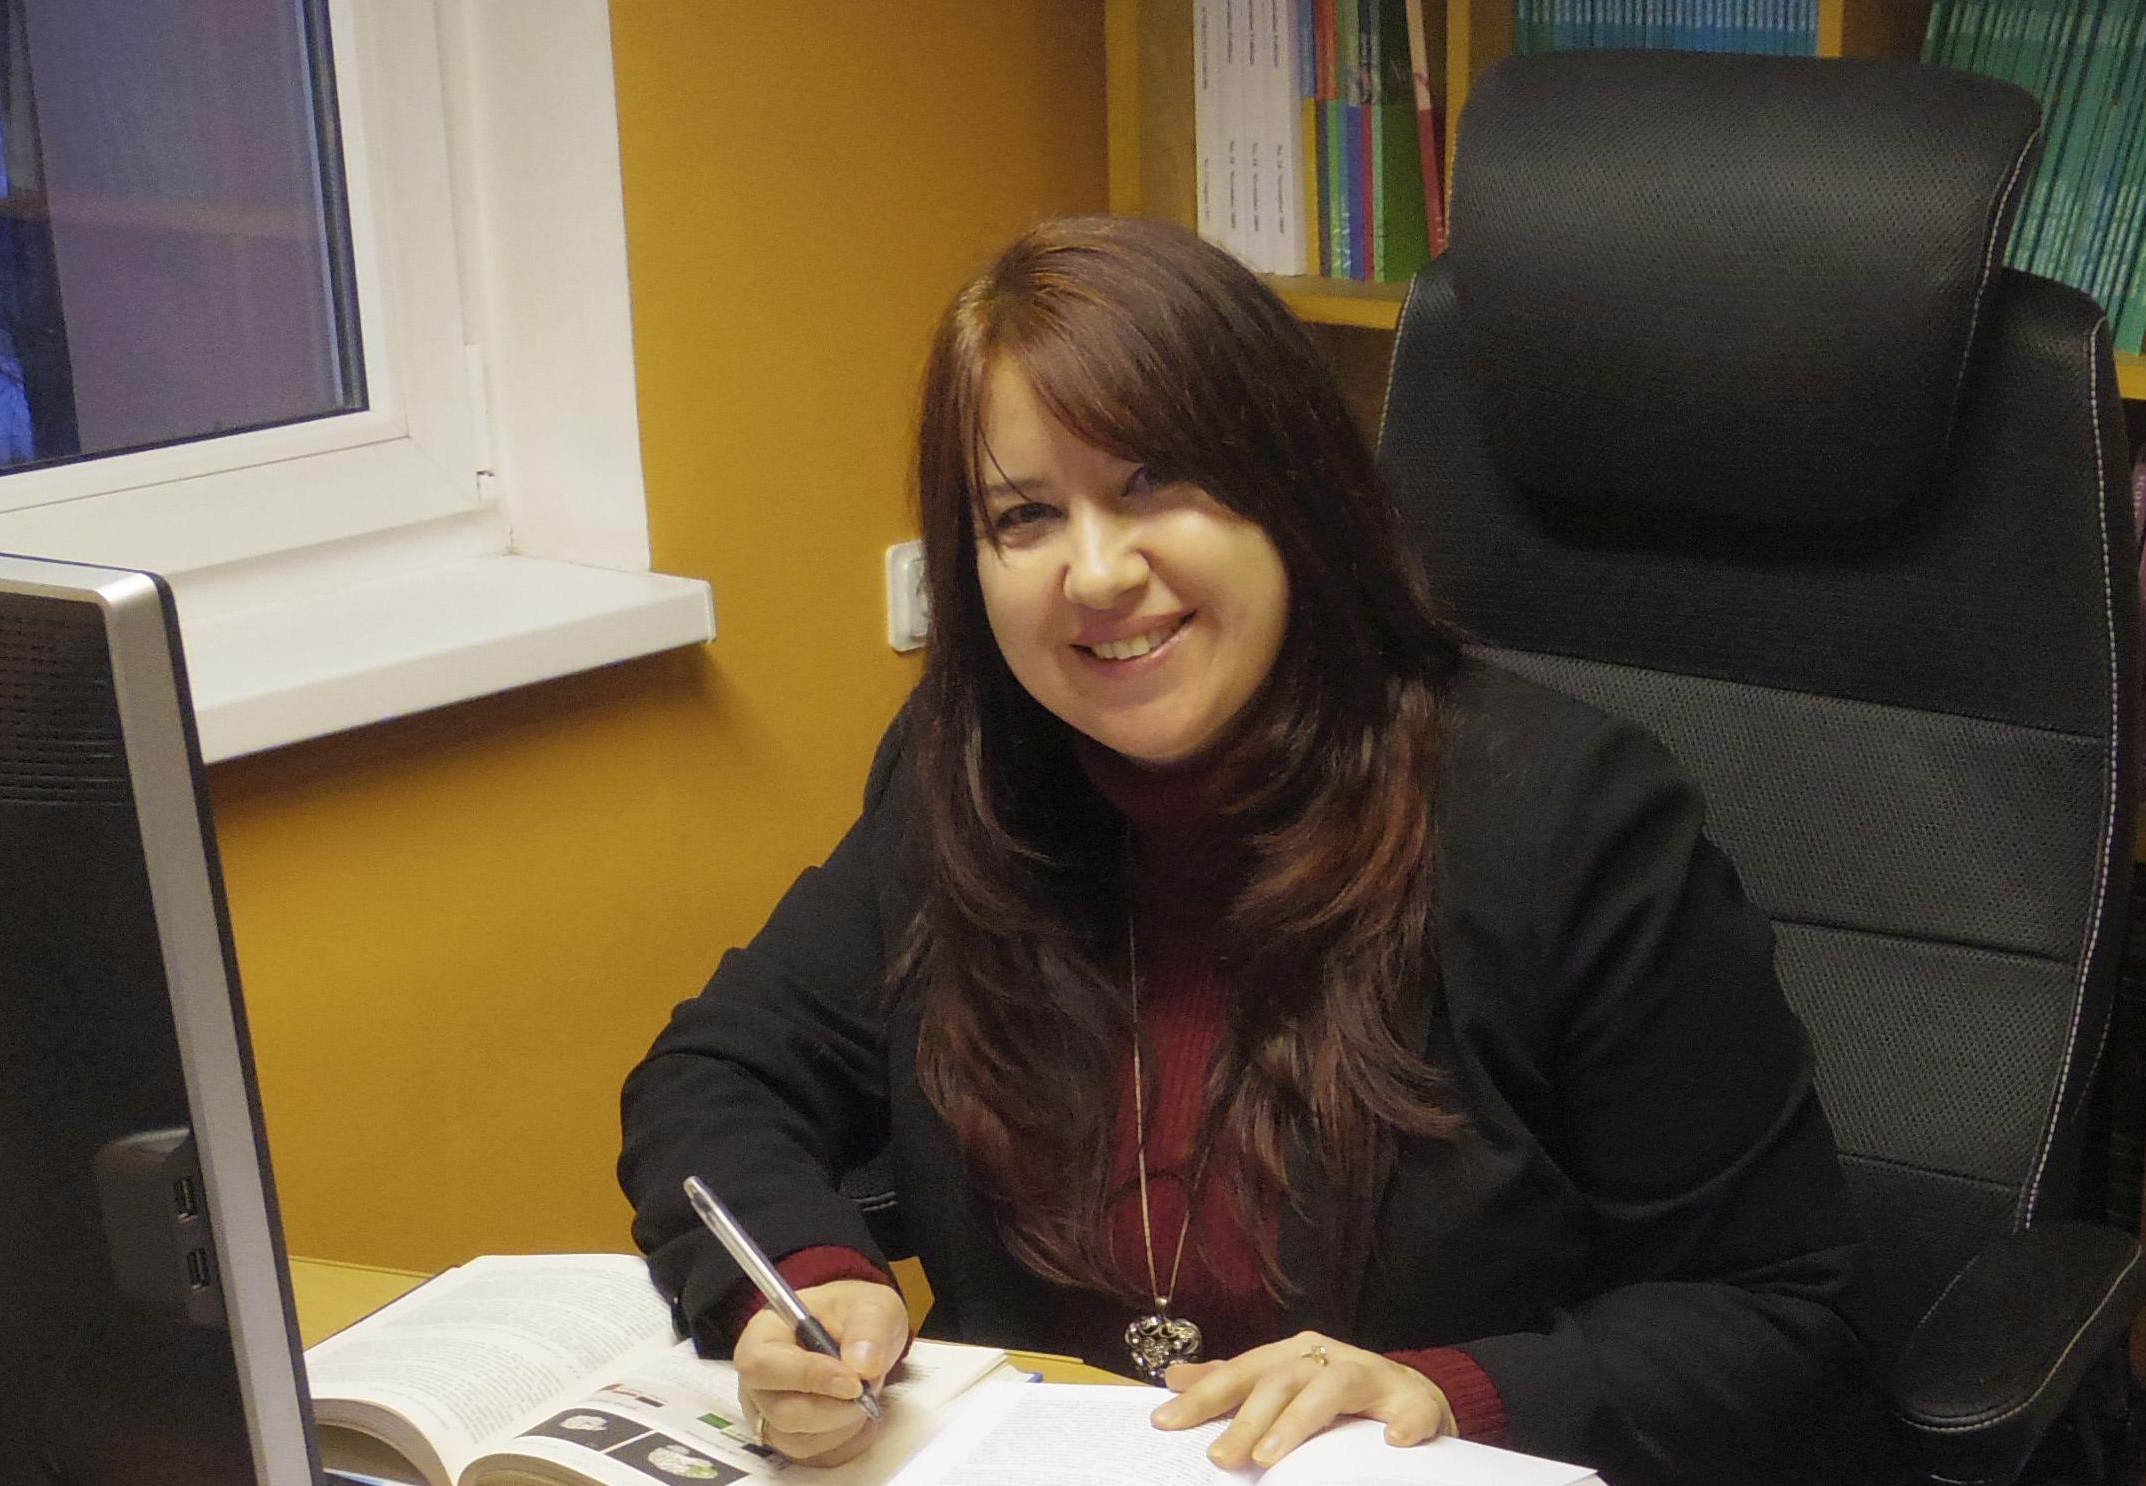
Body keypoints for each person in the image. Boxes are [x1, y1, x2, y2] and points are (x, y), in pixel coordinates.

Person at [619, 216, 1873, 1486]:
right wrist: (808, 1286)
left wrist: (1434, 1394)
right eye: (1025, 515)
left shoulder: (1569, 822)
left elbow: (1778, 1315)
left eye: (1153, 481)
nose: (1098, 572)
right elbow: (718, 1074)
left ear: (1289, 486)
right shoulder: (966, 778)